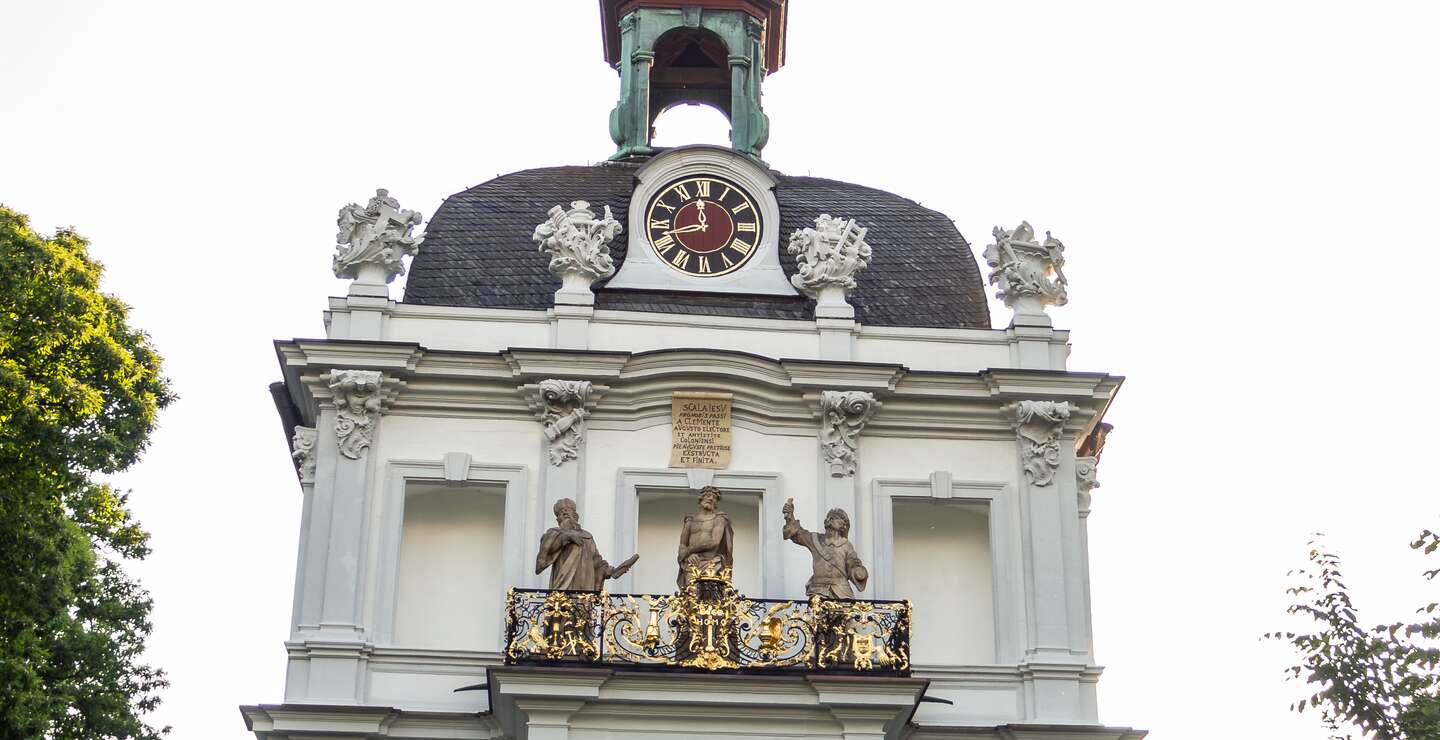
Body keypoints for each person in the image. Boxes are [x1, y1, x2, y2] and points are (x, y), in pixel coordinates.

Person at [535, 498, 637, 590]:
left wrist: (607, 570)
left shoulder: (587, 536)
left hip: (584, 585)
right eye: (562, 515)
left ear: (575, 515)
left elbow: (596, 560)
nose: (565, 517)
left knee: (582, 607)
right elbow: (547, 551)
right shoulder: (554, 533)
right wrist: (566, 537)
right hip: (563, 584)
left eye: (569, 513)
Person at [782, 497, 868, 598]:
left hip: (841, 591)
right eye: (828, 517)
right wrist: (790, 517)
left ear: (843, 526)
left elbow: (853, 563)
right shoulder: (815, 539)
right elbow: (797, 534)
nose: (830, 518)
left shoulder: (846, 545)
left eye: (836, 517)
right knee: (817, 612)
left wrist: (858, 571)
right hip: (818, 589)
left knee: (845, 613)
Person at [676, 486, 733, 589]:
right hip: (692, 563)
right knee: (691, 594)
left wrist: (689, 551)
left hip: (711, 563)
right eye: (708, 496)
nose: (711, 499)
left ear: (716, 502)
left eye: (714, 498)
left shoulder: (719, 519)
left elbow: (714, 542)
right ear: (701, 498)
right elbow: (682, 544)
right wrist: (688, 556)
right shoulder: (690, 521)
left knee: (710, 596)